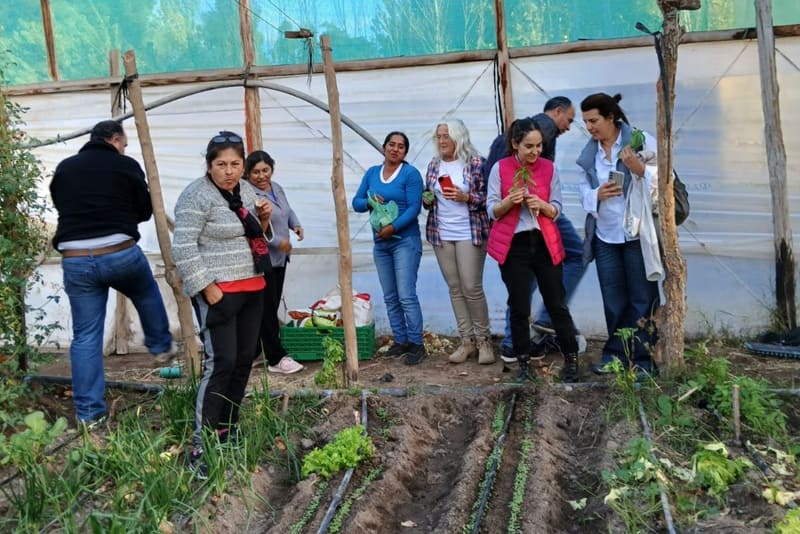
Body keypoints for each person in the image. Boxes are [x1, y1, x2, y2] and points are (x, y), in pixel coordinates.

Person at [50, 120, 175, 427]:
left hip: (76, 258)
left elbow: (61, 204)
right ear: (114, 140)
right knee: (145, 290)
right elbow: (144, 209)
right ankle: (160, 346)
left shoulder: (65, 168)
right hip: (118, 252)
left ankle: (89, 415)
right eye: (124, 143)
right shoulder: (125, 165)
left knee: (86, 338)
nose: (125, 149)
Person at [173, 131, 273, 478]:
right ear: (209, 164)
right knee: (221, 362)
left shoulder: (246, 190)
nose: (228, 171)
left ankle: (226, 431)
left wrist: (263, 220)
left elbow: (256, 236)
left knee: (244, 359)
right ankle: (201, 445)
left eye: (235, 164)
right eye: (221, 164)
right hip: (220, 292)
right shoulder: (196, 196)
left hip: (252, 285)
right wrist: (207, 287)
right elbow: (183, 247)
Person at [483, 96, 586, 363]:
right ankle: (522, 352)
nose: (536, 151)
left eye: (539, 146)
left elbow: (556, 206)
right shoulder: (504, 166)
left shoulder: (548, 168)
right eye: (529, 146)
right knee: (520, 302)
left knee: (551, 299)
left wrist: (544, 206)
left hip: (542, 236)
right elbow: (491, 208)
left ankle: (565, 355)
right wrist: (509, 202)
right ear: (515, 144)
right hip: (514, 241)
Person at [576, 93, 659, 376]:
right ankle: (616, 355)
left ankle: (644, 360)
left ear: (611, 117)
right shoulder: (591, 154)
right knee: (613, 299)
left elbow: (663, 178)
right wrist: (595, 194)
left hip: (636, 234)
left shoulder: (640, 140)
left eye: (594, 120)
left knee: (642, 298)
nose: (589, 127)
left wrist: (639, 169)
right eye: (586, 121)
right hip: (606, 235)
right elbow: (581, 192)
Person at [422, 120, 493, 365]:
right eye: (439, 136)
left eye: (447, 136)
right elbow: (428, 197)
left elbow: (489, 198)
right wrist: (428, 199)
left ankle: (484, 341)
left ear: (459, 138)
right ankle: (467, 341)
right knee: (455, 287)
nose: (442, 141)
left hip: (469, 231)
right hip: (442, 233)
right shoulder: (433, 164)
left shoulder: (476, 163)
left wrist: (466, 197)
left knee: (471, 287)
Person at [352, 132, 425, 365]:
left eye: (401, 146)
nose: (395, 149)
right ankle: (400, 340)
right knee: (391, 296)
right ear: (384, 147)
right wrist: (370, 202)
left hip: (405, 241)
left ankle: (416, 344)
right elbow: (356, 202)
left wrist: (393, 227)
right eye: (391, 145)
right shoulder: (372, 173)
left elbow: (414, 208)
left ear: (405, 152)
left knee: (406, 294)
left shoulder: (410, 174)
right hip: (381, 244)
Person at [244, 150, 305, 375]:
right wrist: (279, 241)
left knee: (271, 304)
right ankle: (276, 358)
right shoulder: (248, 195)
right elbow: (255, 227)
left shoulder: (276, 187)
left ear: (272, 169)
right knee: (266, 308)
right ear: (247, 174)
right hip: (263, 259)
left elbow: (286, 210)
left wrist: (295, 224)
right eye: (255, 172)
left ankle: (253, 352)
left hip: (280, 258)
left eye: (265, 170)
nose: (261, 176)